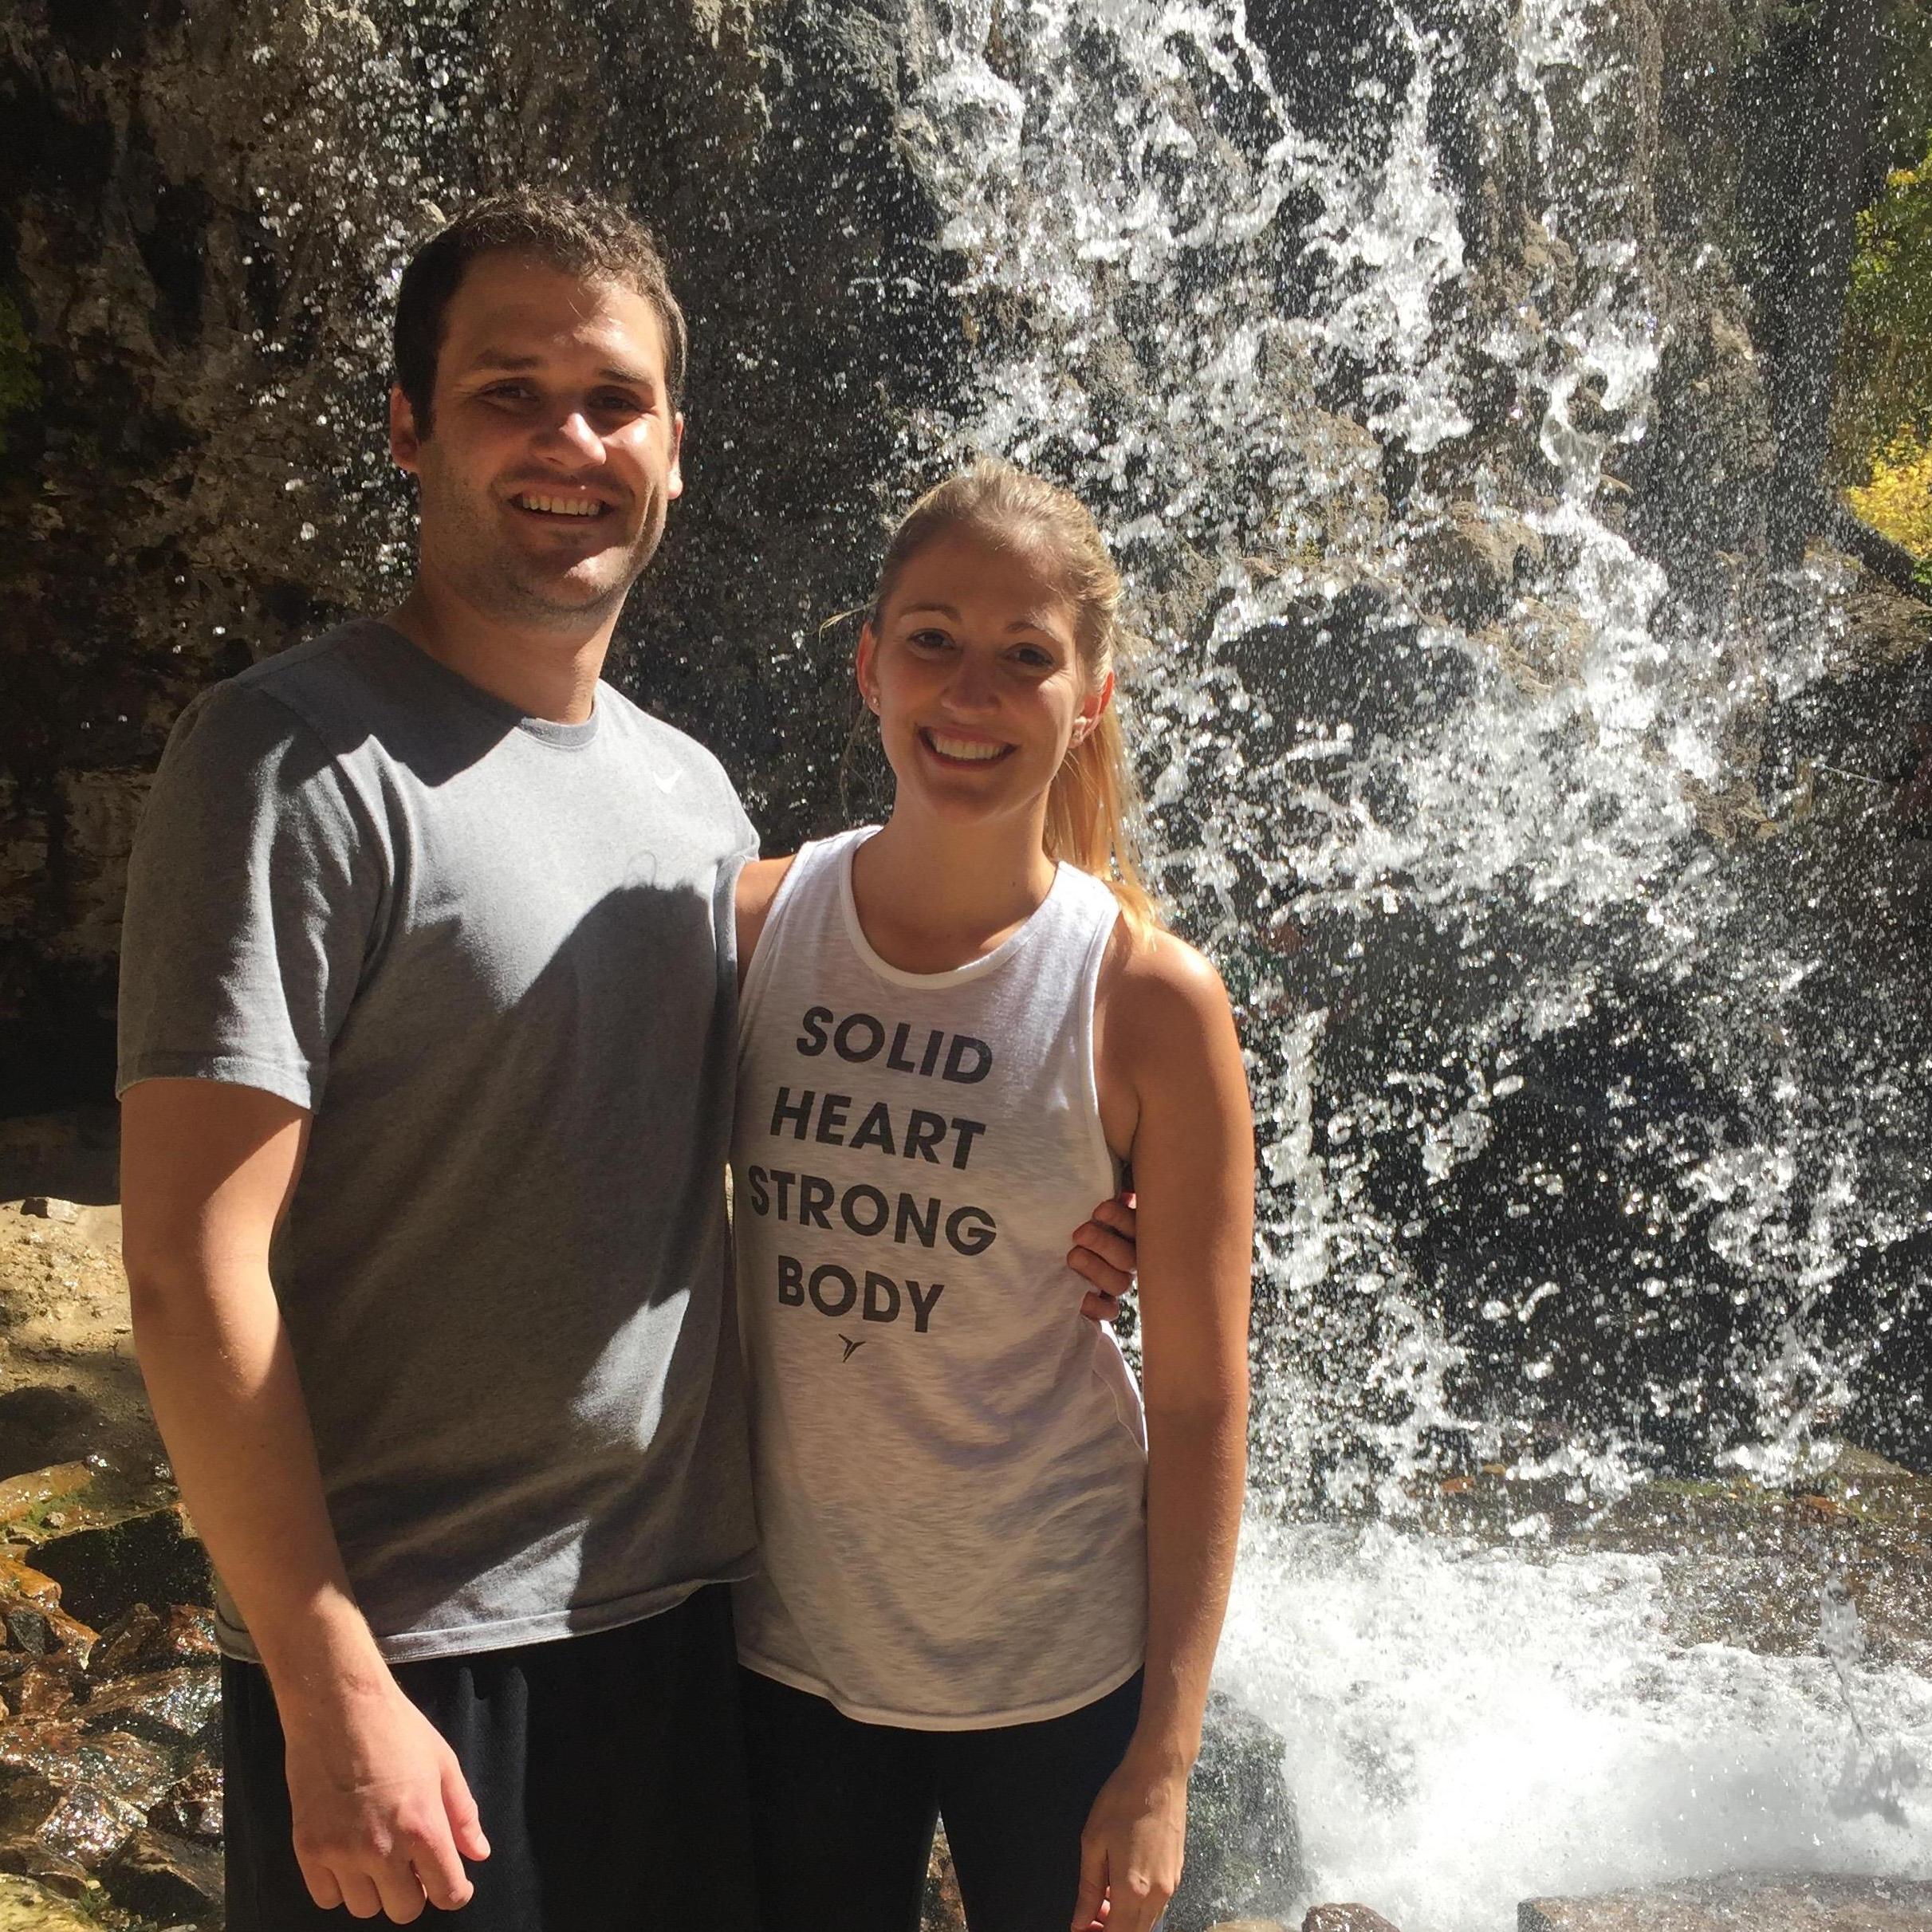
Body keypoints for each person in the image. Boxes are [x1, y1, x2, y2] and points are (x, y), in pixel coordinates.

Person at [114, 192, 1138, 1930]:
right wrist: (322, 1675)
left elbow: (811, 1123)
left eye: (613, 400)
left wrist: (1075, 1212)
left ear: (675, 448)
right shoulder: (290, 762)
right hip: (424, 1661)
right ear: (408, 427)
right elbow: (186, 1260)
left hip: (696, 1638)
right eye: (510, 392)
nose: (569, 443)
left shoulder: (693, 796)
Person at [730, 462, 1254, 1932]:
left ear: (1089, 695)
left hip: (1060, 1669)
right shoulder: (756, 930)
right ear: (868, 663)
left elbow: (1208, 1400)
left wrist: (1166, 1753)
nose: (971, 693)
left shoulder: (1147, 999)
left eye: (1027, 655)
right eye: (934, 640)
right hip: (791, 1658)